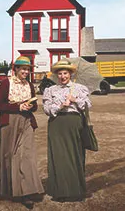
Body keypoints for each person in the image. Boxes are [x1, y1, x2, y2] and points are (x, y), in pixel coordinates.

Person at [0, 56, 44, 209]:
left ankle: (26, 192)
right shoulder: (6, 83)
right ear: (16, 69)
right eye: (23, 69)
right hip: (9, 122)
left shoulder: (30, 85)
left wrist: (29, 106)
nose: (26, 71)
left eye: (28, 69)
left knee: (26, 155)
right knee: (8, 155)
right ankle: (8, 189)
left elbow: (35, 106)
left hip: (26, 122)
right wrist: (17, 107)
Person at [43, 60, 92, 202]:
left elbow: (88, 106)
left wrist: (75, 99)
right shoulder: (50, 90)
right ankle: (60, 191)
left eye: (65, 73)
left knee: (75, 155)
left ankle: (76, 190)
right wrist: (59, 106)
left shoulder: (80, 88)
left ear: (70, 74)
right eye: (60, 73)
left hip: (74, 124)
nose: (63, 76)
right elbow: (46, 110)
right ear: (56, 75)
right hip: (56, 125)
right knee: (58, 157)